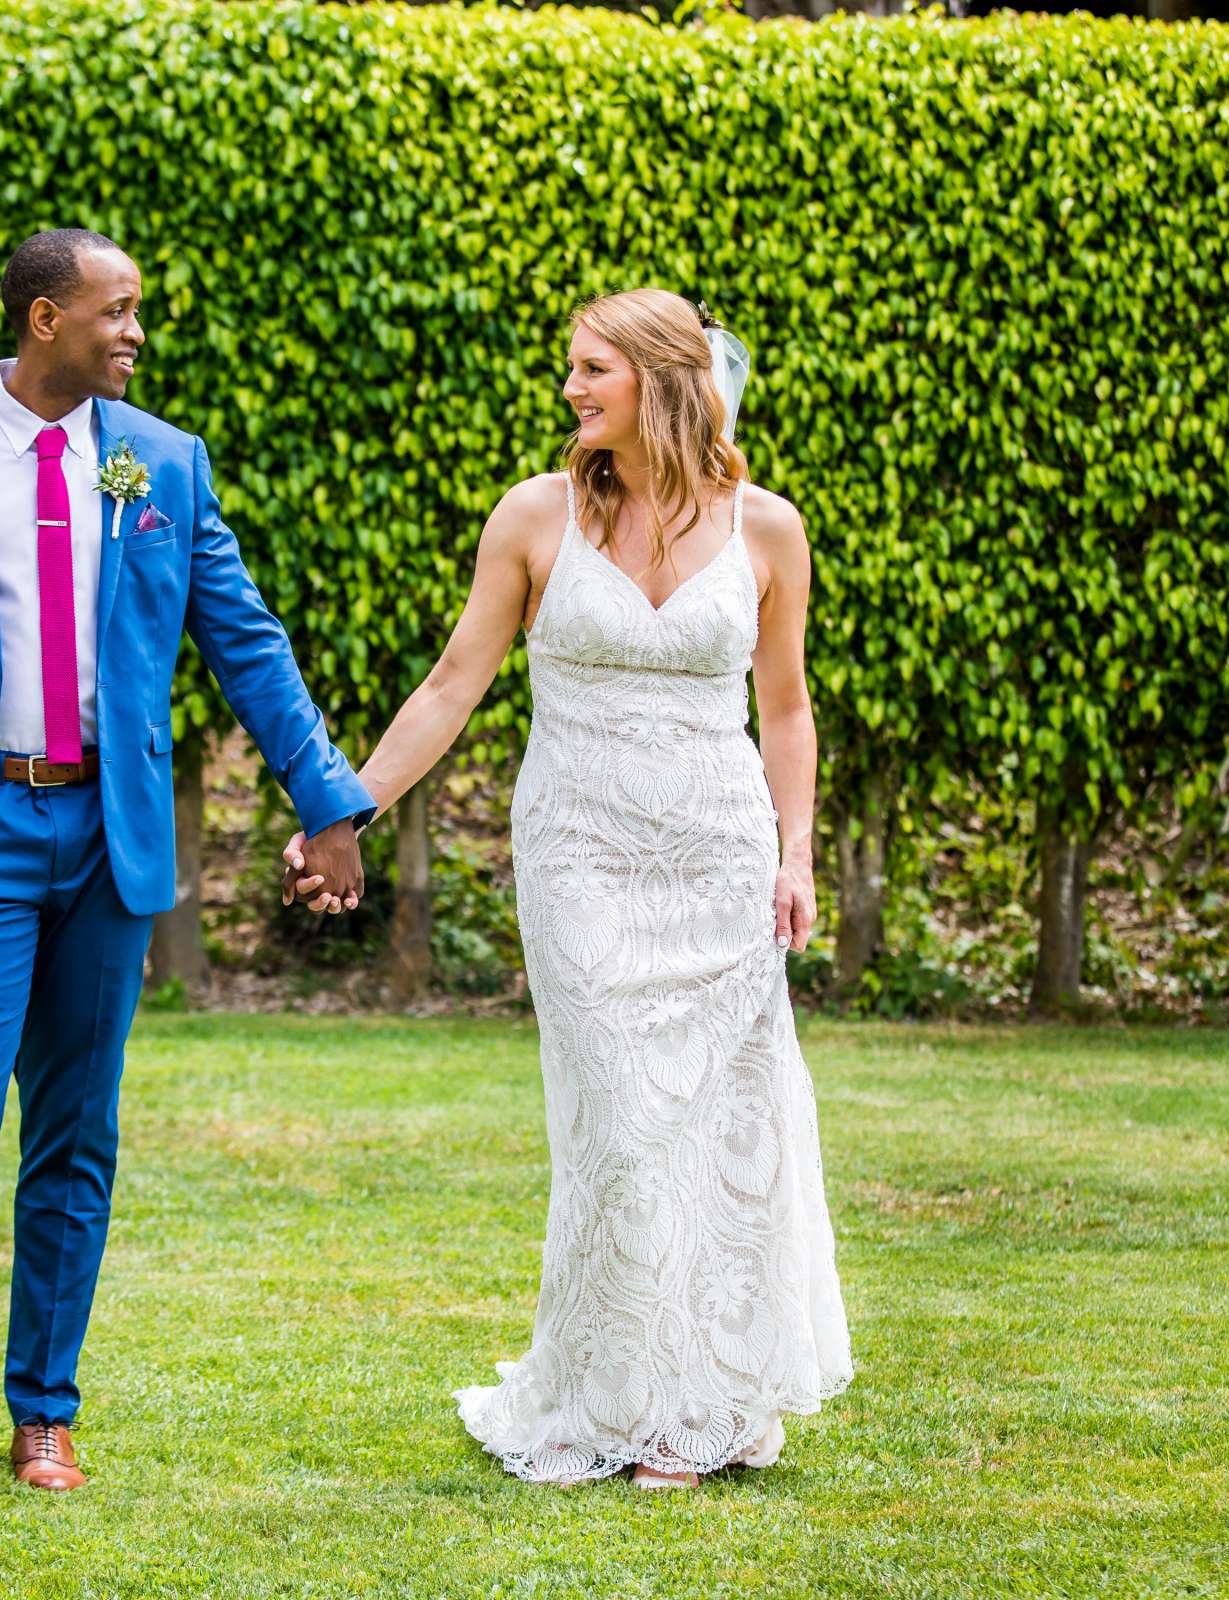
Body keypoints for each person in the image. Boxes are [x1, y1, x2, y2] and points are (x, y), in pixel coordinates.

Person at [0, 228, 375, 1507]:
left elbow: (246, 642)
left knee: (77, 1131)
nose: (136, 334)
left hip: (109, 842)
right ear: (44, 319)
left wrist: (330, 800)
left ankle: (43, 1414)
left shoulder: (160, 460)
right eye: (117, 313)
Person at [284, 289, 852, 1487]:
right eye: (571, 368)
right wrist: (348, 806)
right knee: (624, 1123)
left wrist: (797, 854)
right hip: (580, 854)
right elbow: (452, 683)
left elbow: (788, 707)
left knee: (716, 1126)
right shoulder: (535, 517)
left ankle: (706, 1401)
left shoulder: (769, 530)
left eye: (594, 368)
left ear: (662, 377)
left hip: (717, 855)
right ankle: (621, 1398)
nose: (572, 388)